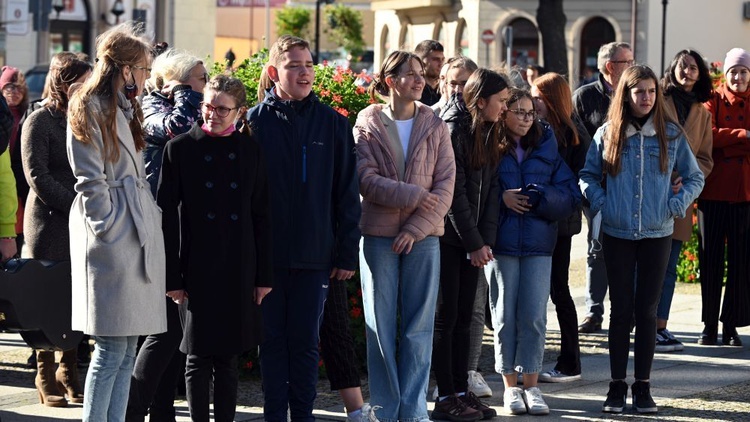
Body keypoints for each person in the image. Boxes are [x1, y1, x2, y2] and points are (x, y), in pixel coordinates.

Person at [247, 35, 361, 422]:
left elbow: (347, 193)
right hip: (268, 259)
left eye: (309, 64)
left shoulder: (332, 123)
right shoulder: (253, 122)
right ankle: (275, 416)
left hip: (316, 256)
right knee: (272, 343)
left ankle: (304, 417)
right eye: (295, 65)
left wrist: (346, 251)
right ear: (275, 71)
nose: (305, 72)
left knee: (306, 344)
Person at [579, 64, 704, 414]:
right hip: (618, 233)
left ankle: (643, 387)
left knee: (647, 313)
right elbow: (587, 175)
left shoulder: (672, 135)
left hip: (657, 232)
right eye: (639, 92)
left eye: (651, 91)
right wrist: (602, 202)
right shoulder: (608, 133)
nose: (646, 97)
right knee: (620, 313)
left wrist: (676, 204)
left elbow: (695, 177)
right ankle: (616, 386)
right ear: (627, 94)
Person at [66, 22, 167, 422]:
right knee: (109, 350)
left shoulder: (124, 107)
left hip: (134, 227)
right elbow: (90, 179)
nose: (146, 76)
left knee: (125, 350)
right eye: (142, 68)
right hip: (113, 235)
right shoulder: (90, 107)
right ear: (125, 69)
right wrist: (107, 226)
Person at [157, 73, 272, 422]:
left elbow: (263, 216)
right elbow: (166, 218)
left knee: (227, 357)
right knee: (196, 356)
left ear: (239, 111)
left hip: (238, 264)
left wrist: (263, 276)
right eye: (208, 105)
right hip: (195, 265)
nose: (213, 114)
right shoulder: (179, 149)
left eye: (222, 108)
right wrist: (171, 277)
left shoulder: (250, 150)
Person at [354, 50, 455, 422]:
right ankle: (385, 408)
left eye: (421, 74)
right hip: (378, 236)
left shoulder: (435, 123)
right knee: (379, 327)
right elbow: (365, 179)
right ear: (389, 79)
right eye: (410, 74)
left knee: (418, 327)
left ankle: (413, 411)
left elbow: (446, 185)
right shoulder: (367, 122)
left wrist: (415, 228)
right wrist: (413, 195)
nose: (419, 80)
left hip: (424, 238)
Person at [485, 87, 580, 416]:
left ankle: (532, 385)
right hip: (502, 245)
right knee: (503, 317)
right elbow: (477, 189)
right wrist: (503, 198)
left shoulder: (547, 142)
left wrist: (540, 196)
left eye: (531, 112)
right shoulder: (489, 144)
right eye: (519, 111)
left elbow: (569, 194)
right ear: (504, 113)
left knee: (535, 318)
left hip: (540, 245)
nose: (526, 118)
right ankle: (510, 387)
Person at [126, 47, 207, 422]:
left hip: (178, 230)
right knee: (165, 330)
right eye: (200, 79)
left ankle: (160, 413)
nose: (205, 86)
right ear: (177, 81)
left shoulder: (177, 103)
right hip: (157, 231)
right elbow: (177, 129)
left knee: (173, 332)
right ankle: (130, 410)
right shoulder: (152, 107)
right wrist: (184, 94)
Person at [432, 67, 507, 422]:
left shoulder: (490, 129)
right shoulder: (453, 129)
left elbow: (491, 190)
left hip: (472, 242)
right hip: (449, 240)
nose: (505, 109)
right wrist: (474, 242)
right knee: (446, 320)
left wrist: (485, 242)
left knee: (464, 320)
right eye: (502, 102)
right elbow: (454, 195)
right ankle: (445, 396)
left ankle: (462, 391)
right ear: (481, 101)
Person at [20, 52, 92, 407]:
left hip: (81, 219)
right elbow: (37, 176)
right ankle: (45, 373)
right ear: (65, 82)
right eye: (82, 81)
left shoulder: (83, 118)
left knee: (76, 296)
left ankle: (70, 370)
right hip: (49, 221)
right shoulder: (38, 120)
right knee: (47, 298)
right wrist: (75, 204)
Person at [530, 72, 591, 382]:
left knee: (558, 290)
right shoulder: (536, 129)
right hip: (539, 220)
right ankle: (531, 360)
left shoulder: (572, 134)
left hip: (560, 224)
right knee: (542, 291)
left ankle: (570, 361)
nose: (532, 102)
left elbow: (581, 182)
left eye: (537, 98)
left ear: (551, 100)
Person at [572, 41, 634, 334]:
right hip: (596, 188)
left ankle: (625, 311)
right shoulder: (583, 98)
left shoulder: (635, 96)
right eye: (628, 62)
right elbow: (575, 143)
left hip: (631, 189)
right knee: (597, 249)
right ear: (611, 67)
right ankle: (594, 312)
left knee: (629, 251)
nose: (633, 66)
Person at [655, 49, 713, 352]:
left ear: (700, 74)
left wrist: (686, 178)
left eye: (693, 68)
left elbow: (705, 158)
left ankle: (660, 326)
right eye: (682, 66)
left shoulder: (703, 113)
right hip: (651, 187)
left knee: (669, 263)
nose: (687, 71)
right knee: (642, 262)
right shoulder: (657, 99)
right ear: (673, 69)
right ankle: (636, 322)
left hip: (680, 195)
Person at [698, 47, 750, 346]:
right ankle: (708, 325)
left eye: (743, 71)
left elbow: (719, 138)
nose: (738, 77)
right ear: (725, 74)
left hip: (744, 194)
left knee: (741, 263)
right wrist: (743, 137)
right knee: (711, 260)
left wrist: (725, 143)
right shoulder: (712, 99)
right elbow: (709, 135)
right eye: (734, 71)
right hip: (714, 191)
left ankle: (731, 325)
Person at [0, 66, 29, 256]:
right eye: (10, 87)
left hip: (16, 189)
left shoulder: (27, 115)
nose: (15, 92)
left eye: (20, 88)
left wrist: (7, 234)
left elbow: (5, 175)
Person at [414, 40, 445, 106]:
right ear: (421, 62)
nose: (441, 64)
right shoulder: (414, 90)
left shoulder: (444, 89)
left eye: (442, 59)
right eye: (436, 59)